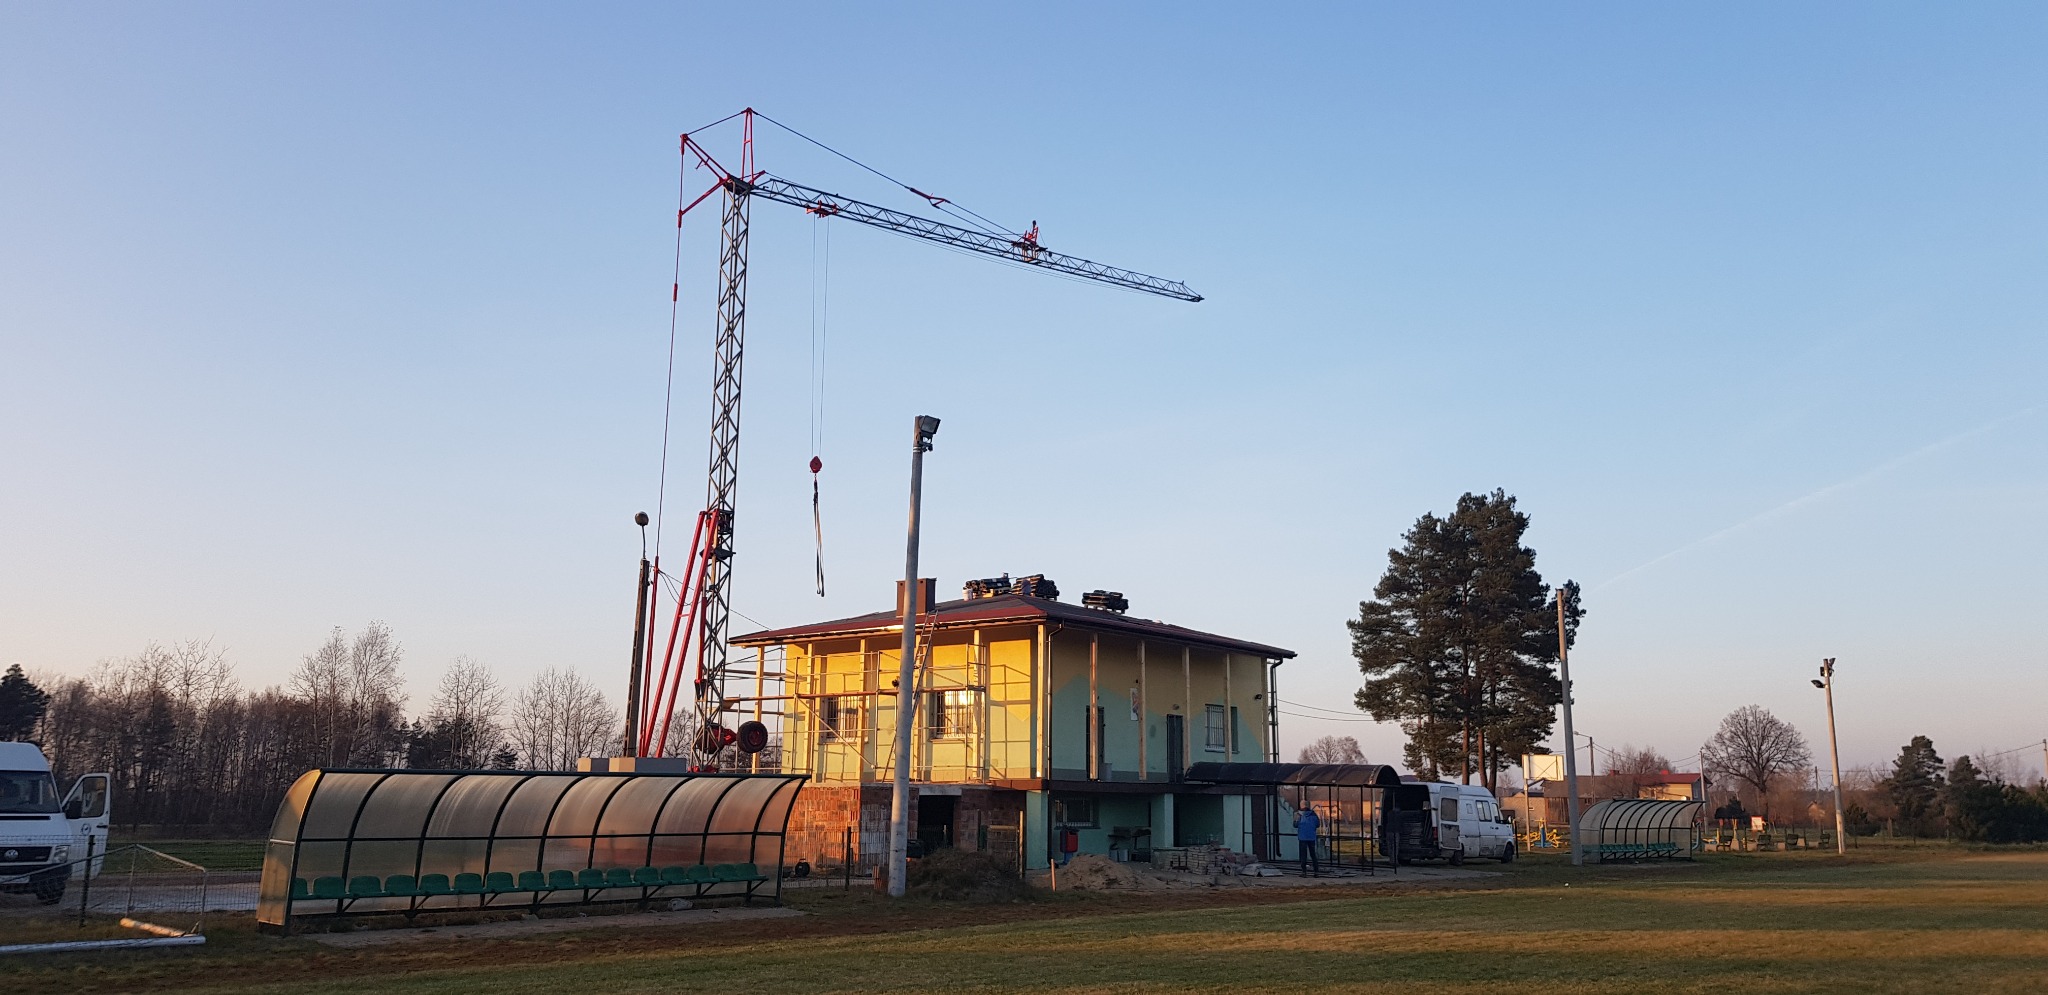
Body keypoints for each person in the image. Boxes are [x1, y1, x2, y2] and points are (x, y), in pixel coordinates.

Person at [1295, 805, 1321, 876]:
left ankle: (1304, 872)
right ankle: (1316, 872)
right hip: (1311, 837)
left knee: (1303, 855)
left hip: (1302, 837)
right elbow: (1318, 824)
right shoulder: (1314, 815)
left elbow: (1295, 825)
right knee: (1313, 855)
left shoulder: (1299, 815)